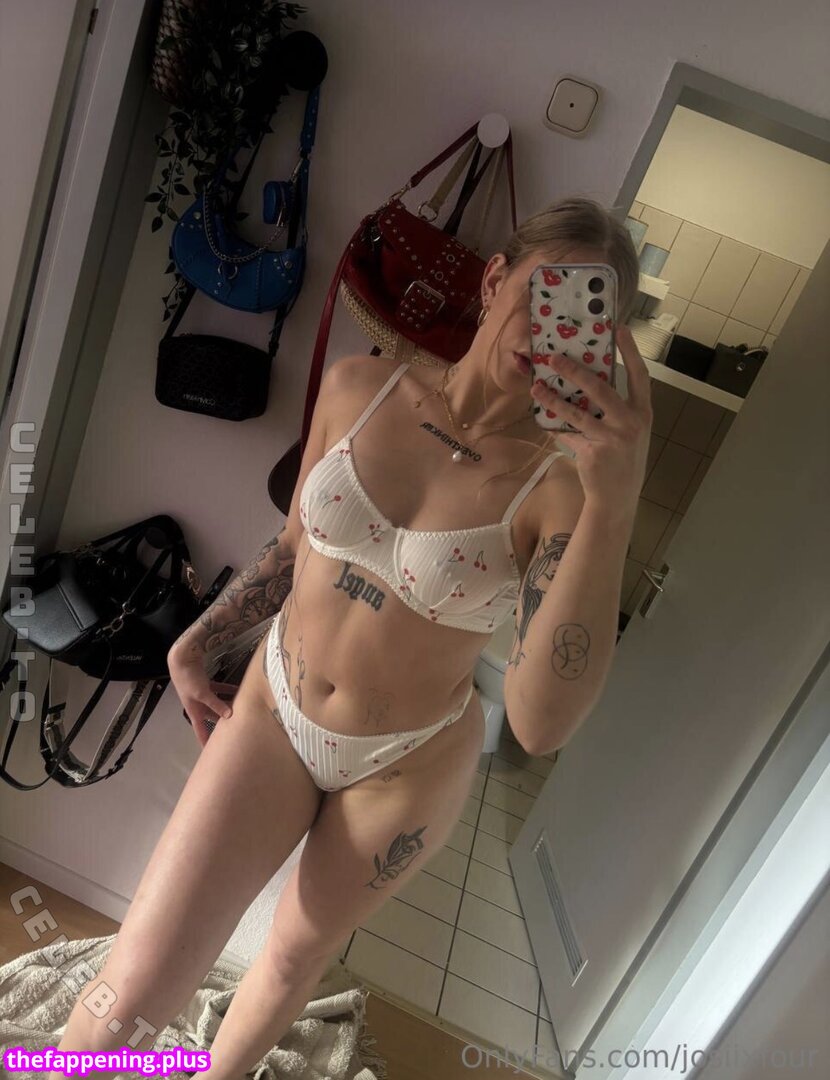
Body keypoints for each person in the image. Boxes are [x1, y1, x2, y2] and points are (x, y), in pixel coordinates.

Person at [47, 196, 652, 1080]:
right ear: (495, 278)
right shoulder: (360, 388)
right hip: (276, 709)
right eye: (544, 293)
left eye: (584, 320)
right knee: (123, 999)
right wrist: (196, 640)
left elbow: (541, 721)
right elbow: (297, 545)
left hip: (406, 767)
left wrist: (616, 503)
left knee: (291, 957)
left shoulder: (559, 495)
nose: (550, 335)